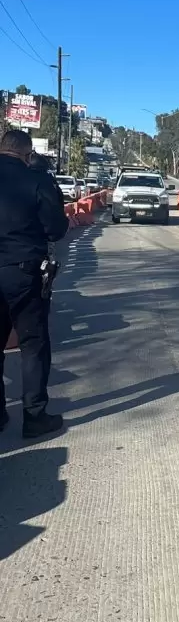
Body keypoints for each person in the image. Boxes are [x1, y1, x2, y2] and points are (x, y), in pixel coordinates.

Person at [0, 129, 69, 438]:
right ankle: (34, 416)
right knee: (33, 345)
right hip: (24, 274)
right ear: (28, 154)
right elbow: (55, 230)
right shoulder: (36, 179)